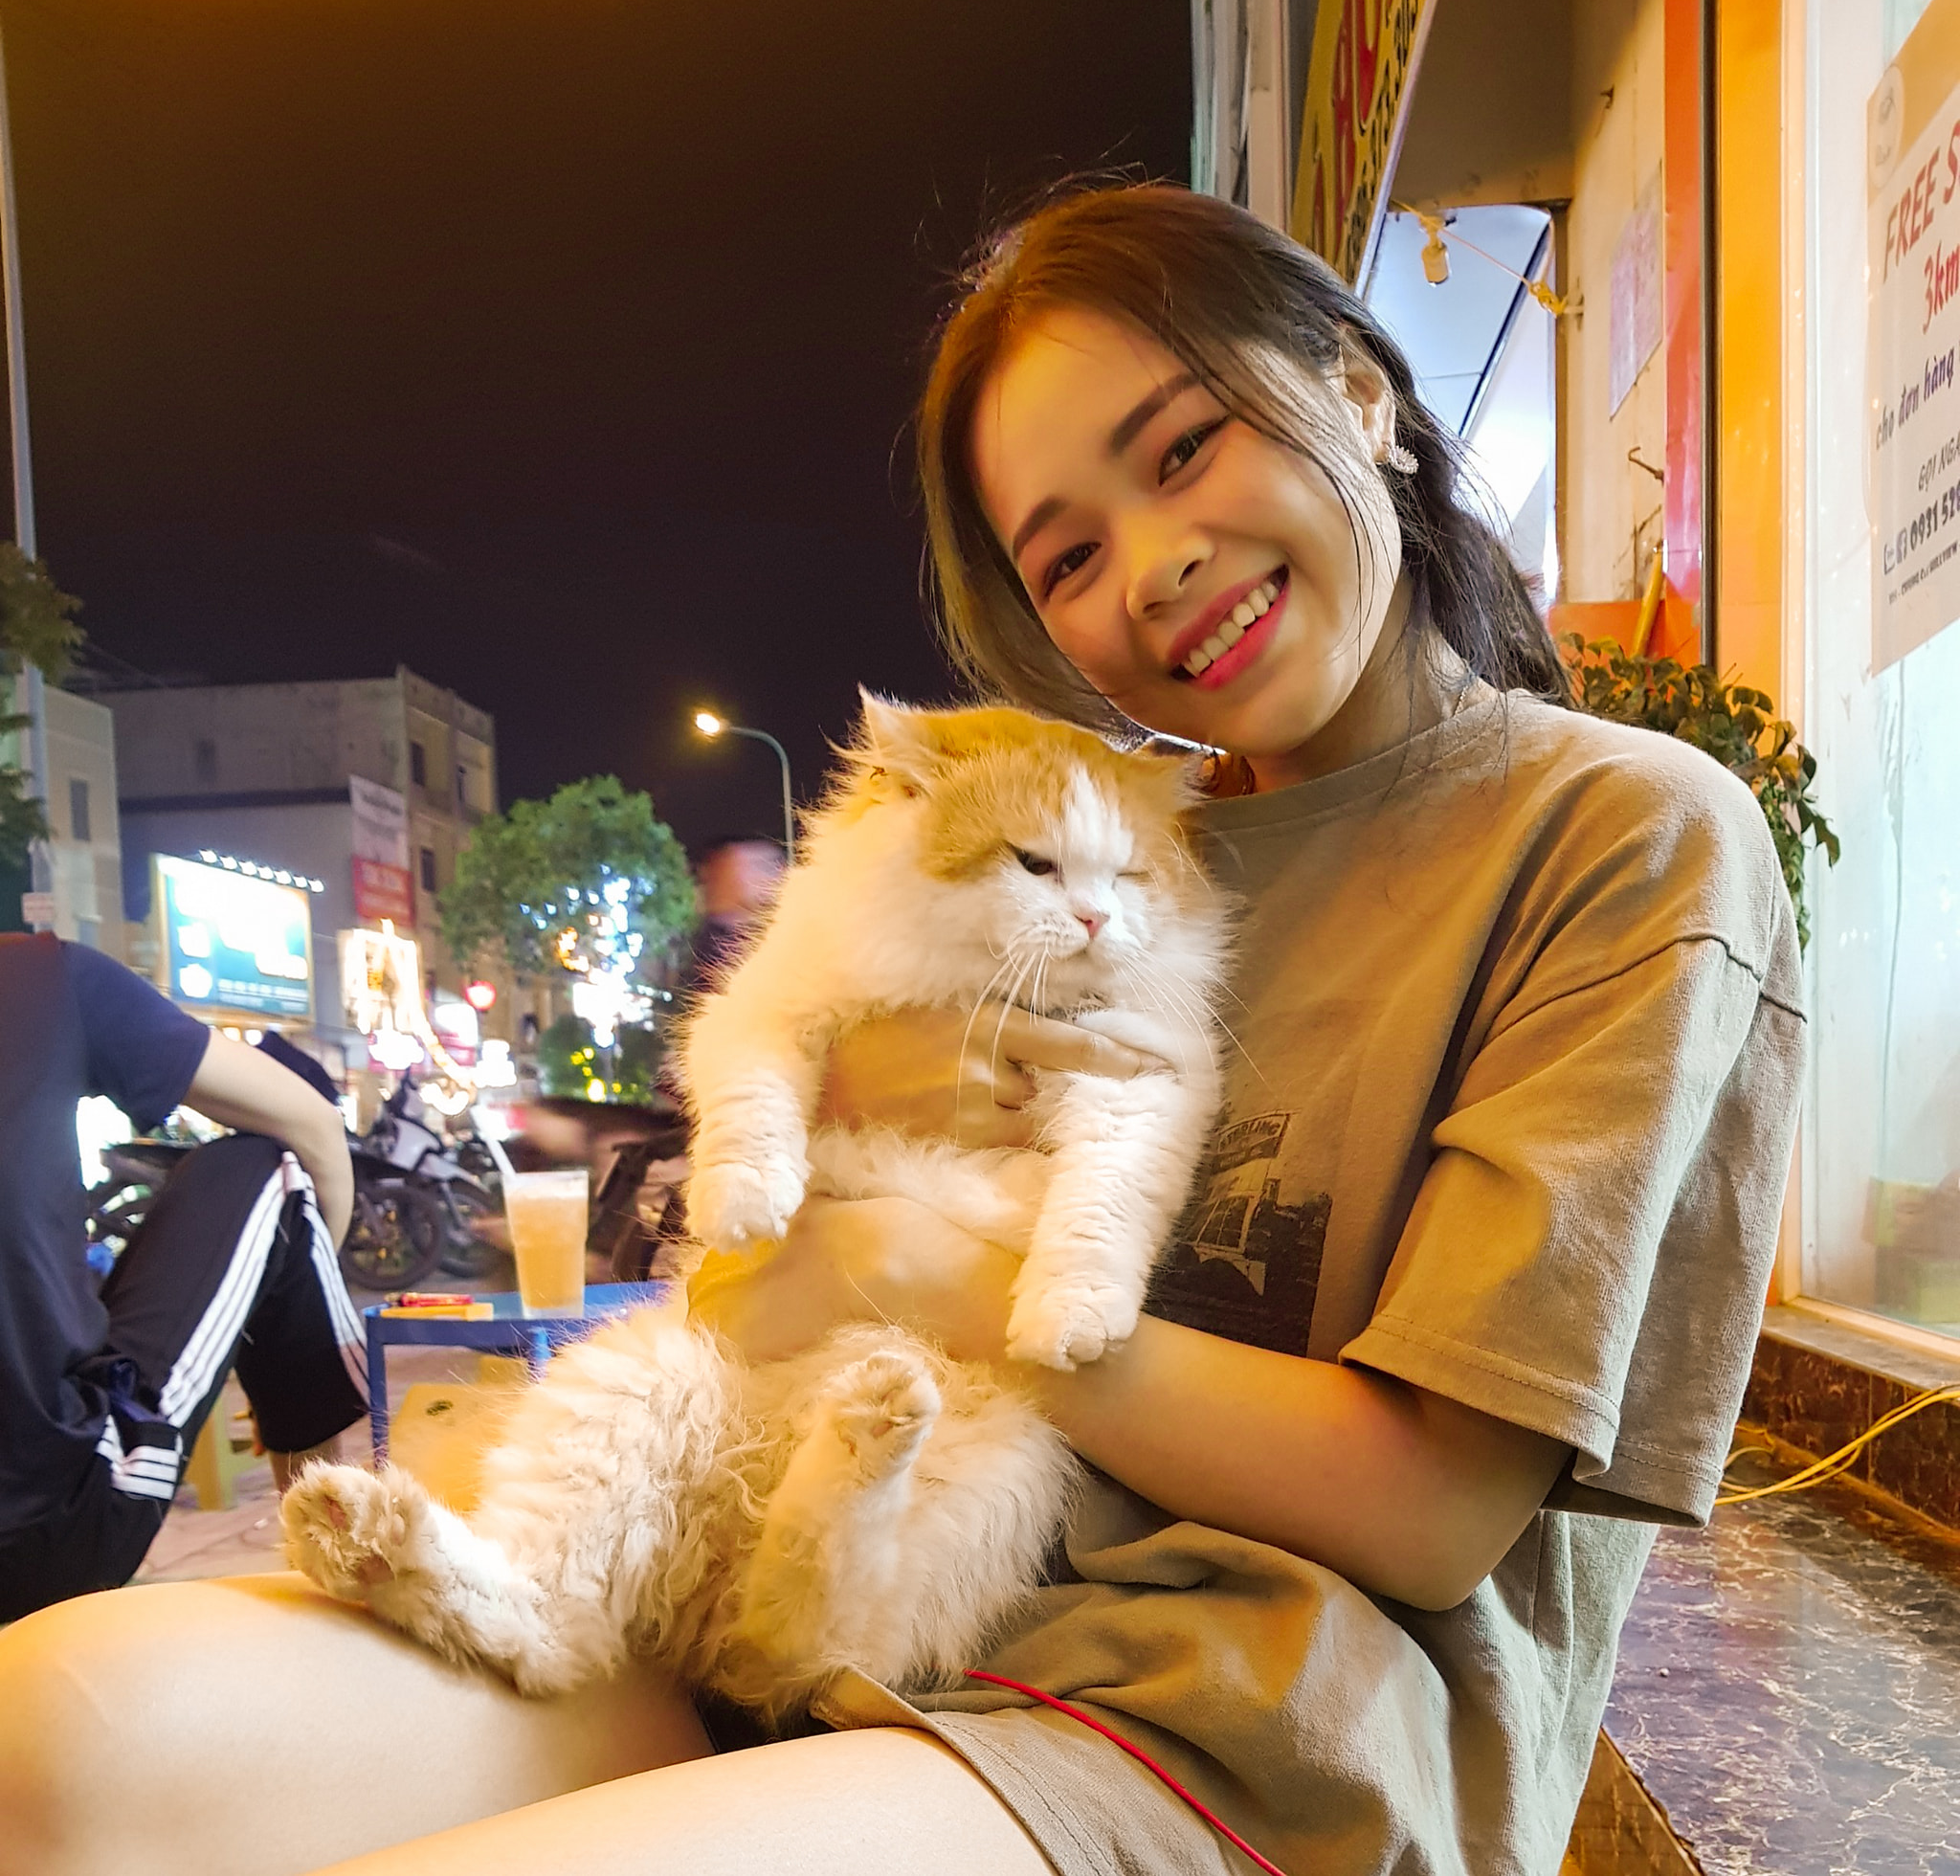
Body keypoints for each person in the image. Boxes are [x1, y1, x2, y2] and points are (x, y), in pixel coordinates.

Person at [0, 185, 1803, 1876]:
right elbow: (750, 1260)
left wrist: (915, 1267)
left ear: (1359, 392)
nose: (1153, 567)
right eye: (1067, 555)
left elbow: (1428, 1515)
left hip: (1234, 1724)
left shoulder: (1620, 837)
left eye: (1186, 447)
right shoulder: (1091, 816)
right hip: (792, 1576)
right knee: (57, 1745)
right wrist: (826, 1165)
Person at [0, 934, 369, 1622]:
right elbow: (313, 1125)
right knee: (271, 1169)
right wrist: (280, 1298)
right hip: (44, 1522)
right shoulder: (39, 973)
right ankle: (335, 1587)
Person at [682, 835, 790, 996]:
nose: (779, 876)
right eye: (762, 866)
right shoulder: (716, 953)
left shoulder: (768, 938)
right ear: (720, 870)